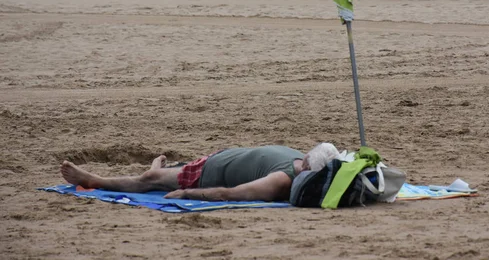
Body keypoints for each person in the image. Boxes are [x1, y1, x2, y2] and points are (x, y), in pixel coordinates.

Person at [60, 143, 340, 202]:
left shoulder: (280, 181)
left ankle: (93, 180)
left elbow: (229, 194)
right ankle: (161, 169)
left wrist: (187, 193)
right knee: (160, 176)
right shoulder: (300, 162)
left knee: (149, 181)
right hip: (219, 159)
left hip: (204, 174)